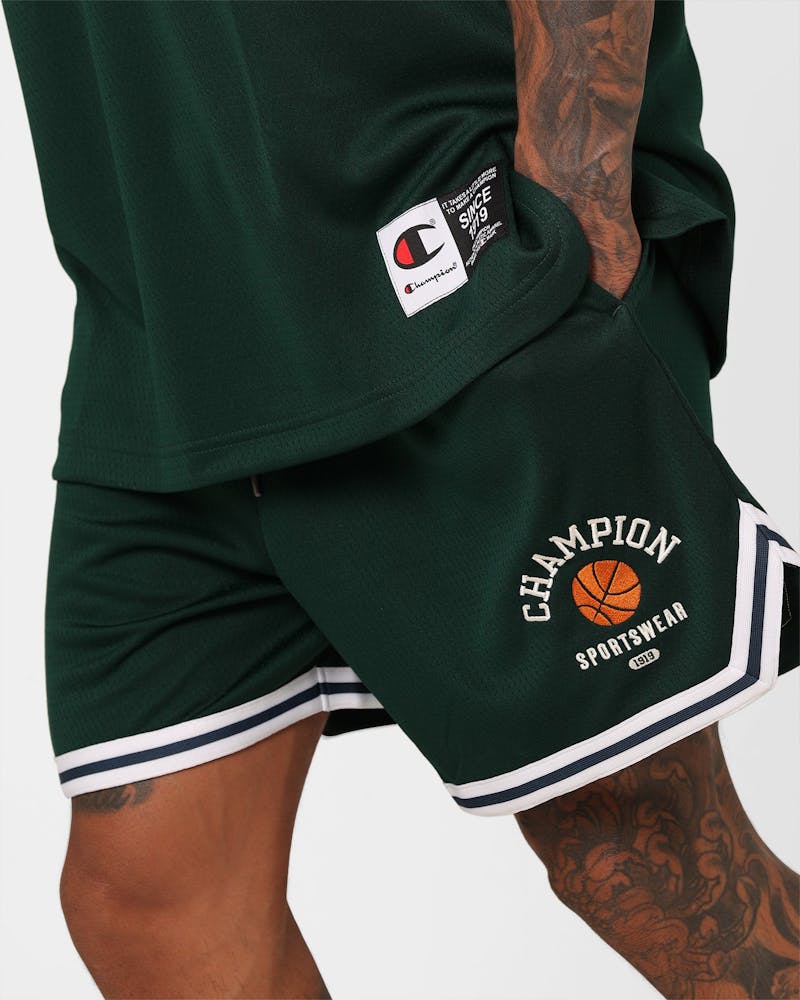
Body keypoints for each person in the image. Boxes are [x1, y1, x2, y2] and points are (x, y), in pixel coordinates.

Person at [2, 1, 798, 998]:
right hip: (175, 316)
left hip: (454, 242)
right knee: (150, 894)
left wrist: (575, 212)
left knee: (647, 864)